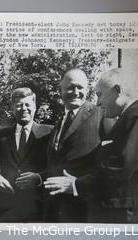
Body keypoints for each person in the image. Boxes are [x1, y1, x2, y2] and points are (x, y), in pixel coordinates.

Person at [74, 68, 138, 223]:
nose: (97, 103)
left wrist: (77, 184)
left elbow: (121, 166)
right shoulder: (128, 118)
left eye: (99, 95)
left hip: (125, 216)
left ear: (118, 90)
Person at [0, 87, 53, 222]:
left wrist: (39, 177)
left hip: (38, 208)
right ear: (12, 108)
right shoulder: (1, 135)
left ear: (35, 107)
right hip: (6, 209)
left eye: (27, 104)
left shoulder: (49, 133)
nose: (23, 108)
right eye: (19, 105)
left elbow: (57, 165)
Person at [44, 68, 102, 222]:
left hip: (84, 210)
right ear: (60, 90)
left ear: (87, 89)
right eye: (70, 87)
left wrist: (78, 185)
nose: (76, 92)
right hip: (55, 211)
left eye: (80, 87)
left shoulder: (101, 114)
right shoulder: (58, 123)